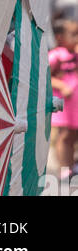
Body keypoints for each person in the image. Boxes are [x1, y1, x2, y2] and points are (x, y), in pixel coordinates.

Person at [49, 19, 78, 181]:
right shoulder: (56, 55)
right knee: (65, 135)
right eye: (73, 35)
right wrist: (61, 84)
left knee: (73, 134)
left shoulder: (75, 54)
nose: (77, 38)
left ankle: (72, 164)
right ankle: (65, 168)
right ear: (60, 38)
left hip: (75, 102)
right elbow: (47, 76)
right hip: (64, 102)